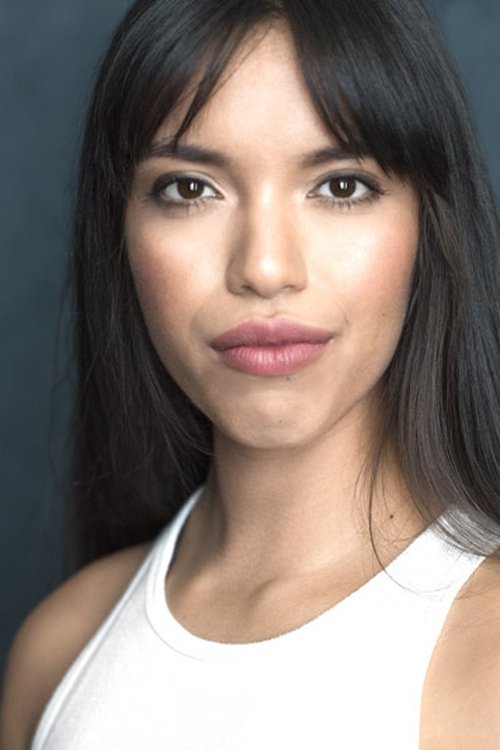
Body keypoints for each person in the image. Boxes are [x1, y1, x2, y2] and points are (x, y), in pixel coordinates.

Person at [1, 0, 500, 747]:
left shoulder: (487, 659)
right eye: (190, 189)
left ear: (429, 224)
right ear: (121, 231)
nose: (265, 267)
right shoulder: (59, 650)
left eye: (340, 186)